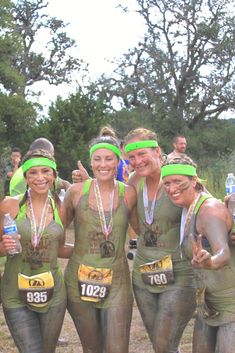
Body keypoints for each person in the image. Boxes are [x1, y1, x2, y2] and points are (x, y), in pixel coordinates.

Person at [62, 127, 138, 353]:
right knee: (92, 348)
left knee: (117, 348)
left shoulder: (129, 192)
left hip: (117, 282)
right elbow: (54, 231)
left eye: (108, 159)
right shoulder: (75, 192)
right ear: (91, 161)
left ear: (118, 161)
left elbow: (144, 230)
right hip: (79, 280)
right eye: (97, 159)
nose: (103, 164)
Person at [123, 128, 196, 353]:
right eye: (132, 157)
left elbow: (203, 203)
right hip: (144, 274)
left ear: (156, 150)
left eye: (142, 154)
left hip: (179, 272)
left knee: (165, 341)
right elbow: (136, 224)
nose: (137, 161)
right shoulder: (135, 181)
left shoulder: (175, 175)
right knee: (160, 343)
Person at [0, 149, 72, 353]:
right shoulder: (9, 206)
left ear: (54, 175)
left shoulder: (61, 208)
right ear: (25, 176)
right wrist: (3, 248)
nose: (40, 178)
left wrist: (87, 251)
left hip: (53, 293)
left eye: (45, 171)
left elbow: (59, 249)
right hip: (16, 292)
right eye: (33, 173)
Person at [161, 155, 234, 353]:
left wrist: (210, 262)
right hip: (207, 305)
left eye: (178, 181)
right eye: (166, 183)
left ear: (193, 180)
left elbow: (223, 253)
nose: (171, 188)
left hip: (230, 307)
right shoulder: (188, 208)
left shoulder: (208, 209)